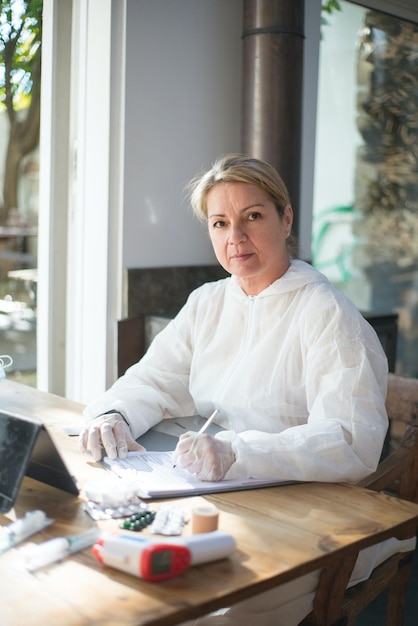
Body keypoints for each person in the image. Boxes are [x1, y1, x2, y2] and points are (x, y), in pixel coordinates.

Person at [79, 154, 414, 625]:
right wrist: (113, 414)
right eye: (220, 223)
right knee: (125, 586)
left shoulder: (327, 313)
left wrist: (237, 453)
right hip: (212, 499)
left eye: (252, 216)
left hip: (305, 516)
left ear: (286, 218)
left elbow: (351, 440)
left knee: (208, 611)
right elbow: (154, 378)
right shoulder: (208, 302)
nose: (234, 238)